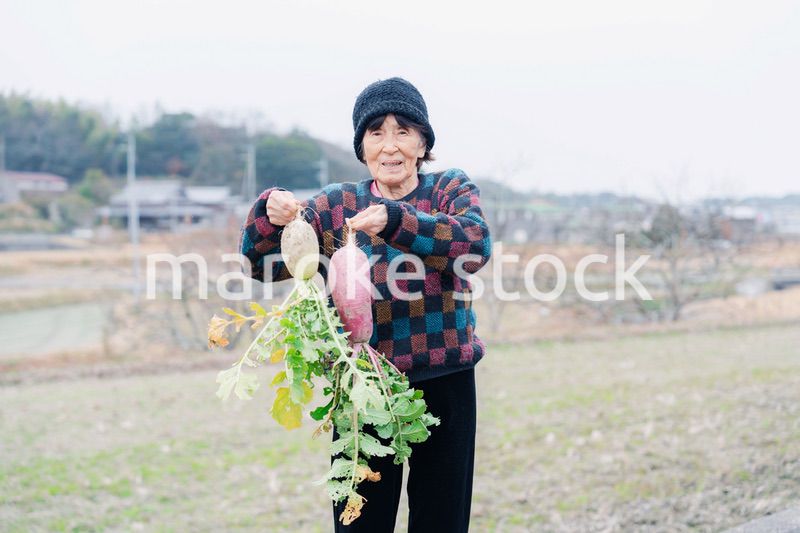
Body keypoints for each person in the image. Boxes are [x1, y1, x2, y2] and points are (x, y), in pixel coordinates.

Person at [240, 77, 492, 532]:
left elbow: (474, 244)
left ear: (422, 142)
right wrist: (268, 214)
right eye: (376, 132)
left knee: (442, 520)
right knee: (361, 525)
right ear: (362, 146)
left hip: (446, 380)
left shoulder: (448, 190)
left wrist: (396, 220)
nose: (390, 145)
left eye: (403, 131)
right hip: (363, 388)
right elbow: (262, 265)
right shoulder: (337, 205)